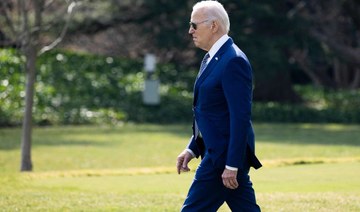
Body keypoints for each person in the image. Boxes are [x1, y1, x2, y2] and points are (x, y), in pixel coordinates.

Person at [176, 1, 262, 211]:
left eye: (194, 25)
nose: (190, 31)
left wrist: (231, 165)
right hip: (222, 156)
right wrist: (193, 147)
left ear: (213, 25)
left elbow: (239, 117)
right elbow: (212, 113)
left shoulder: (233, 60)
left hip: (222, 159)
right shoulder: (212, 58)